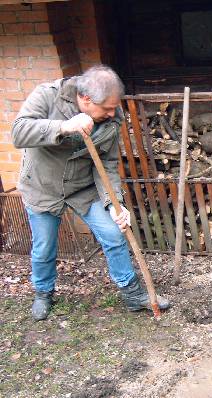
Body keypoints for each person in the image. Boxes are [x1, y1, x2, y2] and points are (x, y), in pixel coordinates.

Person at [12, 65, 170, 321]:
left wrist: (114, 204)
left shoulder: (112, 116)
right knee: (44, 247)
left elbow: (106, 165)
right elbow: (18, 133)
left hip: (83, 188)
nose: (112, 113)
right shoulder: (48, 95)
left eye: (113, 107)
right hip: (43, 185)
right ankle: (43, 292)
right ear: (85, 99)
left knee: (114, 233)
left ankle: (132, 293)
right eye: (106, 108)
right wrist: (64, 127)